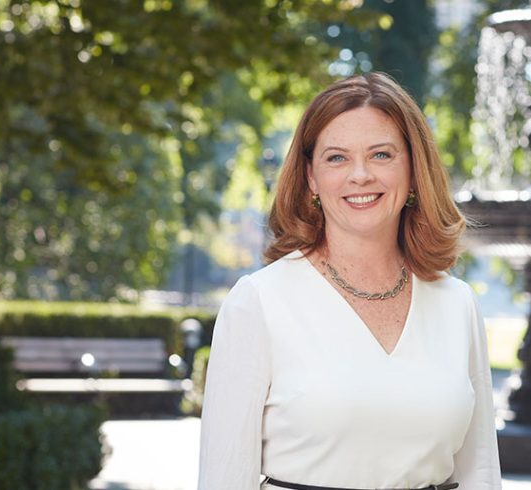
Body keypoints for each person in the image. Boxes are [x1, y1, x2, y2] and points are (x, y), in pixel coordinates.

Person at [198, 72, 501, 490]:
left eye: (381, 155)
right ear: (310, 177)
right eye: (337, 158)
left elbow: (480, 470)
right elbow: (223, 478)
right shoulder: (260, 302)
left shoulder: (456, 303)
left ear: (413, 170)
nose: (360, 175)